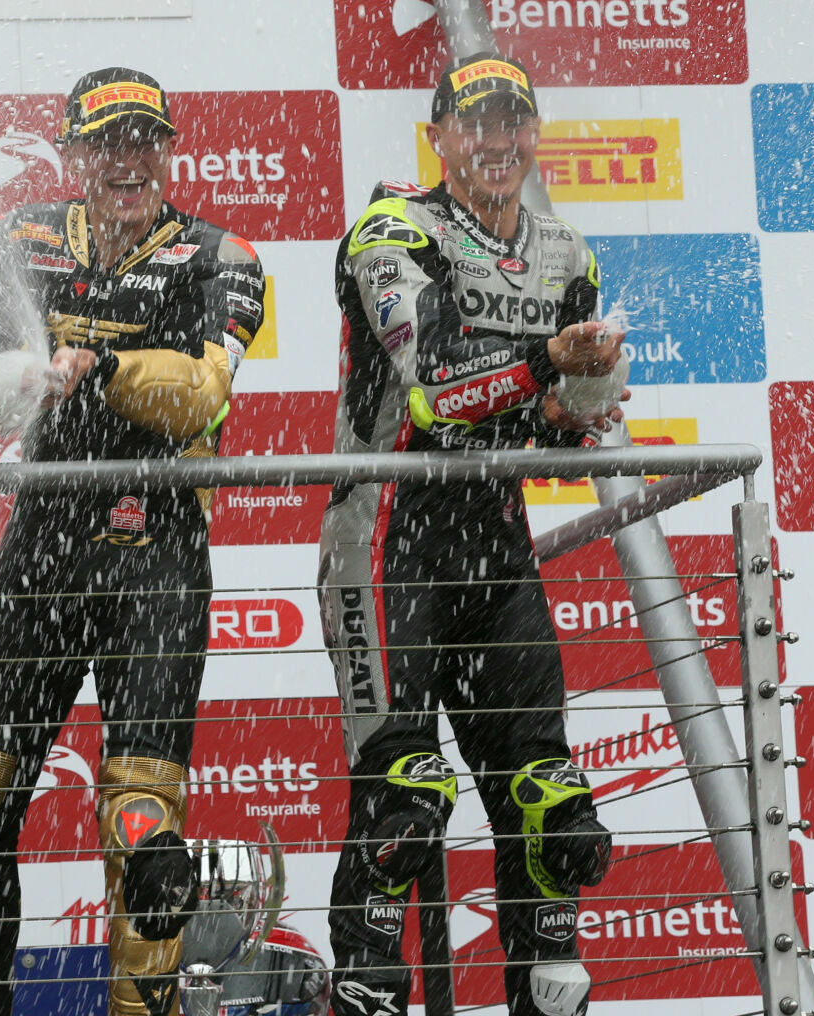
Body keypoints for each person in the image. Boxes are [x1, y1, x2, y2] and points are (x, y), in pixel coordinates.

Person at [0, 68, 265, 1016]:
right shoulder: (21, 238)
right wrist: (10, 380)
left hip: (159, 557)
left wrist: (98, 368)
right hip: (43, 548)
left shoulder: (221, 256)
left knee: (146, 835)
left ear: (171, 151)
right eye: (107, 143)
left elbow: (202, 394)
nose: (128, 161)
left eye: (147, 140)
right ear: (71, 156)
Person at [318, 53, 624, 1016]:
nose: (495, 140)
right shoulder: (392, 228)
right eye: (474, 122)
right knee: (402, 805)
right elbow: (435, 388)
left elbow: (555, 422)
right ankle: (369, 989)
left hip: (495, 551)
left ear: (534, 135)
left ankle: (547, 997)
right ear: (439, 135)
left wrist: (589, 393)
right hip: (383, 544)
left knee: (548, 809)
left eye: (511, 122)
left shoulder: (568, 255)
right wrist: (544, 364)